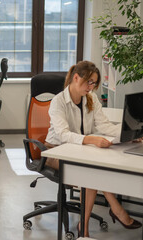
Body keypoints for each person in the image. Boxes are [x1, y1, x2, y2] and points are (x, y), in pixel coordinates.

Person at [45, 60, 142, 237]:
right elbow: (63, 135)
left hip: (81, 151)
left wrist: (129, 134)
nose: (91, 87)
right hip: (56, 151)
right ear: (76, 77)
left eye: (94, 83)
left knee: (94, 170)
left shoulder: (91, 98)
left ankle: (100, 217)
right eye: (89, 82)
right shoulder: (58, 102)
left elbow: (104, 125)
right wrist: (91, 139)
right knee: (89, 174)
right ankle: (92, 224)